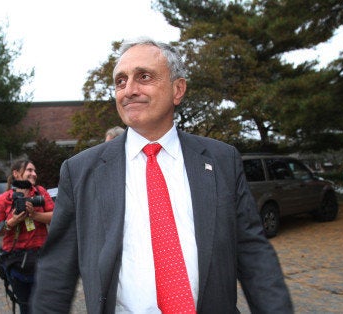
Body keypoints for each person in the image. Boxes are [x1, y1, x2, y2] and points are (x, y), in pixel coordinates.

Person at [31, 37, 292, 313]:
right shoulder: (81, 171)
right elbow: (56, 272)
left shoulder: (222, 160)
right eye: (120, 81)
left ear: (177, 89)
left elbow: (254, 255)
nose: (129, 90)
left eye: (144, 77)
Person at [0, 159, 54, 314]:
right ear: (16, 173)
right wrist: (12, 221)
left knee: (45, 305)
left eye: (34, 171)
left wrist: (35, 215)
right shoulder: (4, 199)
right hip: (17, 262)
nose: (34, 174)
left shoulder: (40, 193)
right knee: (25, 306)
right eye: (29, 170)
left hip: (42, 258)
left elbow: (56, 217)